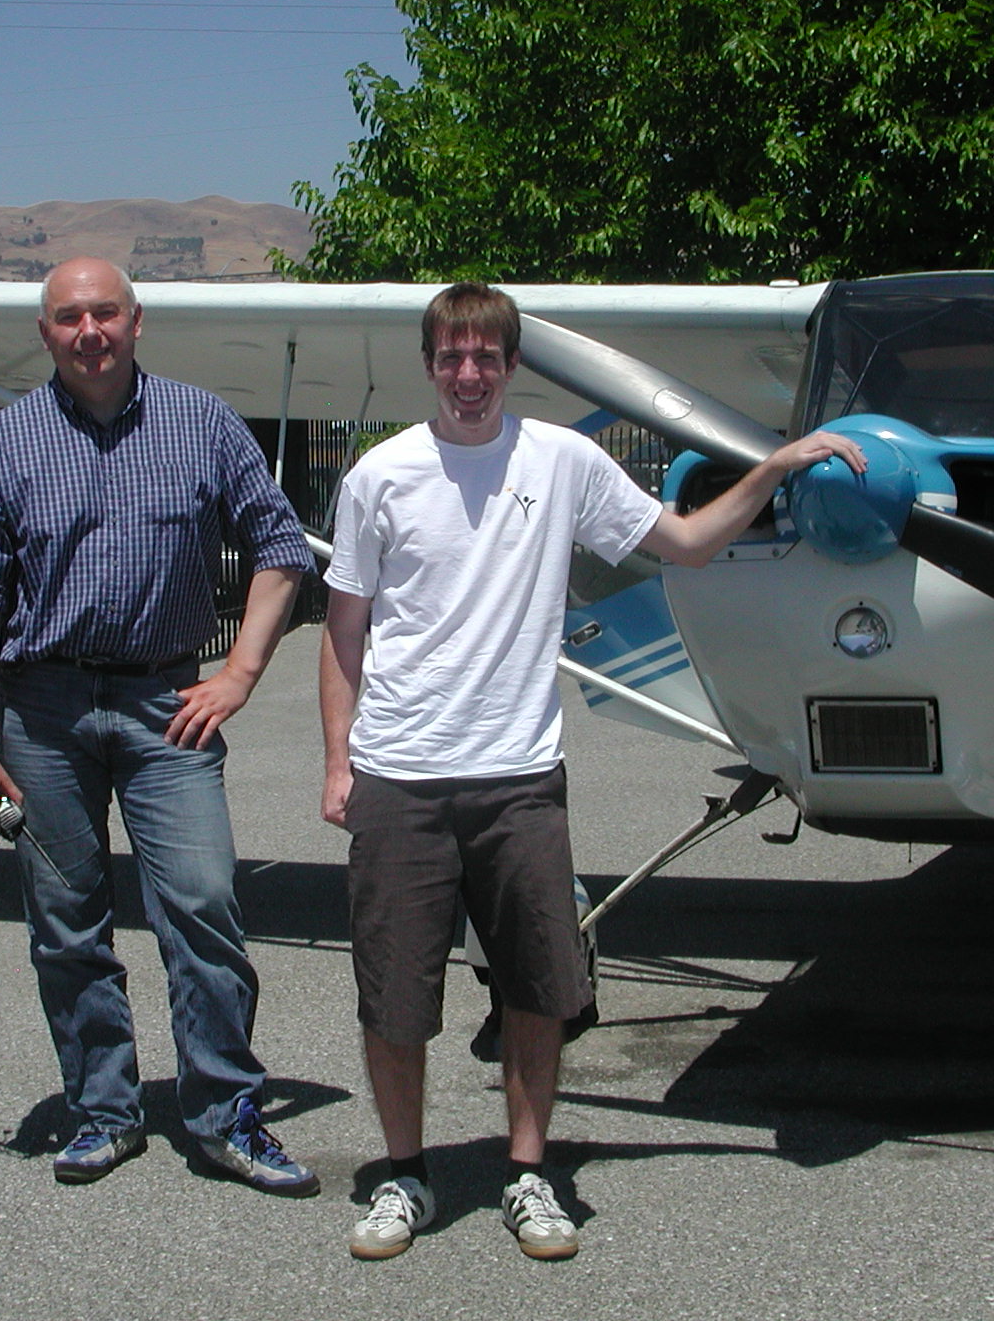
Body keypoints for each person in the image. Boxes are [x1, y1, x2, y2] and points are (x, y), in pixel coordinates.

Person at [320, 282, 863, 1259]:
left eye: (487, 356)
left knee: (537, 984)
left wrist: (776, 465)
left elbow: (687, 544)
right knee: (394, 995)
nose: (469, 374)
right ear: (429, 365)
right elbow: (343, 633)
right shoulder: (381, 477)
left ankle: (527, 1177)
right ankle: (404, 1177)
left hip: (519, 778)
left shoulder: (562, 462)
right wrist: (337, 763)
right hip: (399, 776)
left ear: (512, 365)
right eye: (451, 356)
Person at [0, 256, 319, 1196]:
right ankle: (103, 1113)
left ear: (136, 320)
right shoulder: (4, 443)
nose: (89, 331)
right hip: (44, 712)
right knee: (67, 925)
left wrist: (240, 671)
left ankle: (225, 1114)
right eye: (69, 317)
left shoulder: (202, 423)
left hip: (168, 709)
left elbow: (281, 550)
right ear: (46, 334)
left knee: (202, 904)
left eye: (104, 312)